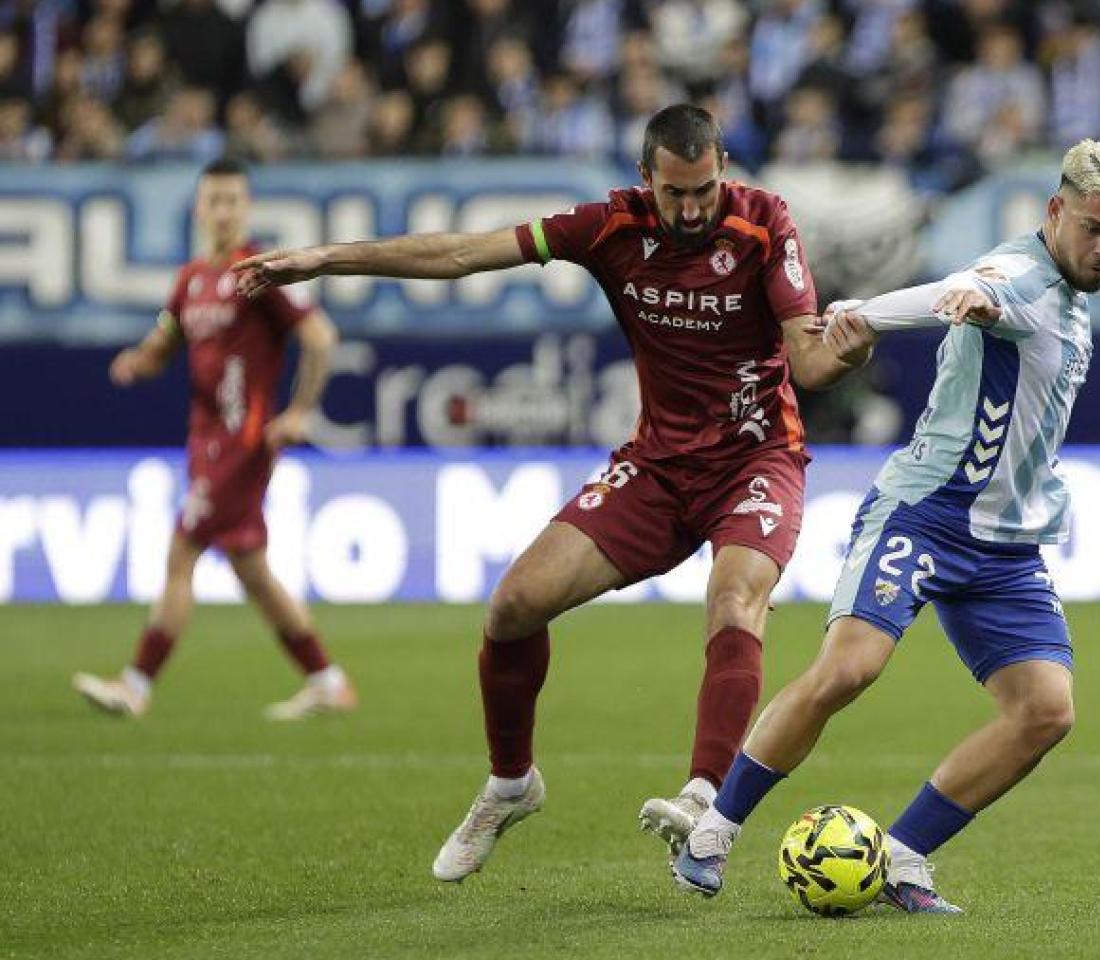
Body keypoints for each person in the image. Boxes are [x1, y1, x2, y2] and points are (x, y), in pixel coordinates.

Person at [234, 104, 868, 880]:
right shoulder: (608, 227)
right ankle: (511, 784)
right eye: (674, 193)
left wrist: (850, 352)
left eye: (704, 190)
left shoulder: (764, 223)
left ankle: (704, 799)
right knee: (512, 608)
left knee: (736, 599)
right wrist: (327, 260)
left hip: (757, 460)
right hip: (658, 468)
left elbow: (809, 361)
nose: (691, 210)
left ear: (724, 170)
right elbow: (462, 253)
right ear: (645, 178)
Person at [670, 139, 1100, 914]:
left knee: (1046, 711)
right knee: (848, 670)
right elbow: (970, 289)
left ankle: (903, 857)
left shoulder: (1068, 296)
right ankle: (712, 832)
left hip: (1006, 545)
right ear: (1055, 210)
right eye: (1093, 228)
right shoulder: (1019, 274)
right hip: (926, 516)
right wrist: (864, 316)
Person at [73, 157, 352, 722]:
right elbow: (165, 342)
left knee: (183, 550)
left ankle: (136, 683)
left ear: (246, 208)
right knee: (251, 569)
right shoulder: (191, 280)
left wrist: (299, 412)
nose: (223, 211)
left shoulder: (260, 273)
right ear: (199, 209)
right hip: (204, 442)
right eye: (213, 201)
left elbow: (320, 337)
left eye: (232, 201)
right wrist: (137, 362)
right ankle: (327, 680)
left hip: (242, 442)